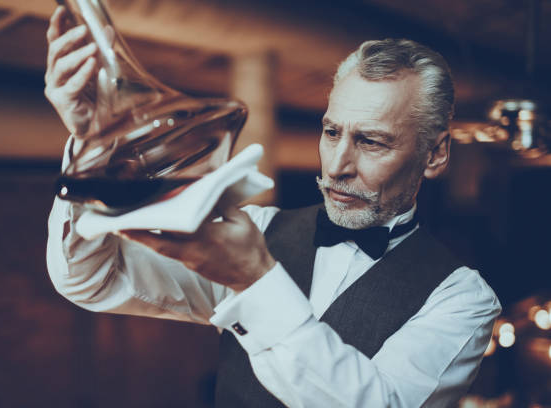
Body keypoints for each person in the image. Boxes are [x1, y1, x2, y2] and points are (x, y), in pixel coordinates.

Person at [45, 5, 501, 407]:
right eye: (332, 132)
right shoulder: (257, 229)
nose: (338, 165)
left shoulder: (463, 299)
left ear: (436, 154)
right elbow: (91, 280)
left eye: (371, 141)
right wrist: (97, 139)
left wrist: (255, 279)